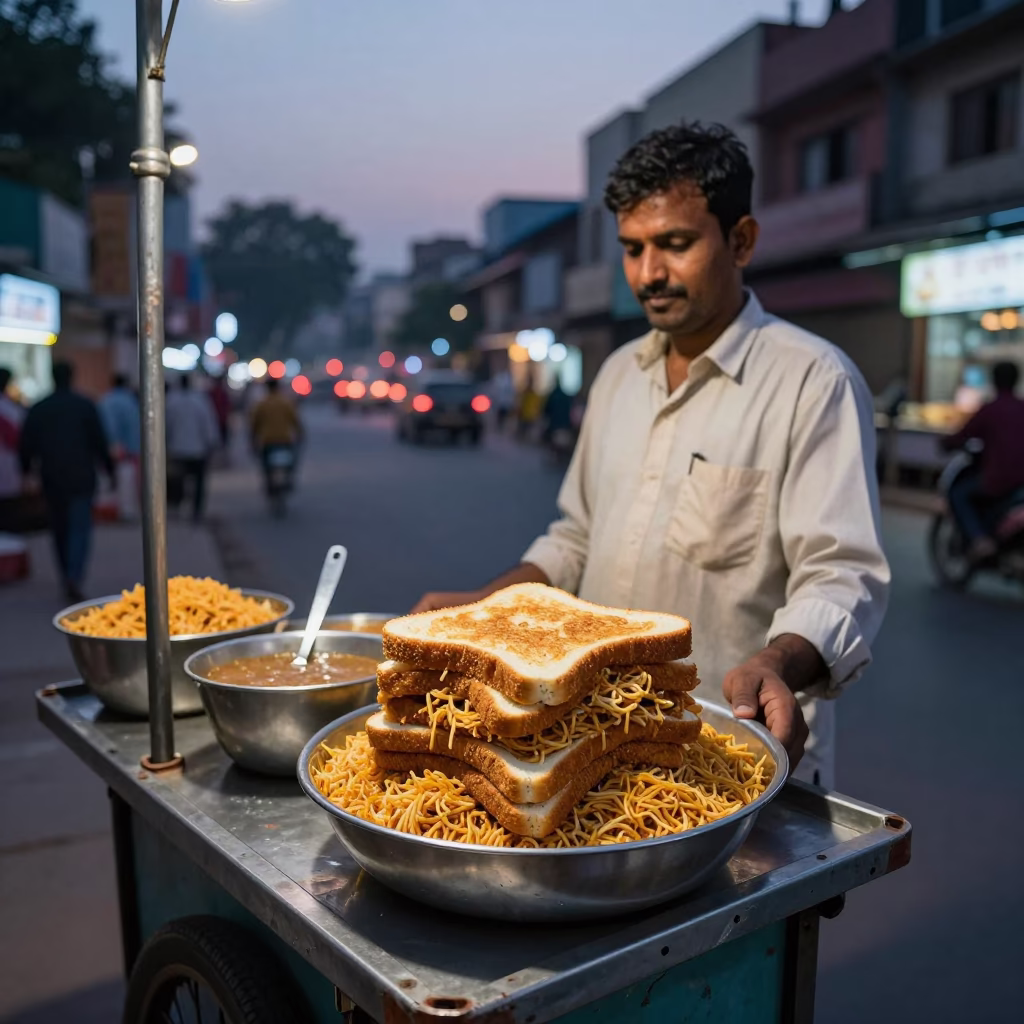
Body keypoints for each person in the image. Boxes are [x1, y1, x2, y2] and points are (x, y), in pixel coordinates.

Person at [413, 122, 890, 789]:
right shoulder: (615, 377)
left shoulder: (813, 381)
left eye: (676, 244)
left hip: (735, 757)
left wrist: (778, 661)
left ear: (741, 240)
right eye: (633, 250)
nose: (650, 274)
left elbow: (841, 575)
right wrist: (484, 607)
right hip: (595, 745)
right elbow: (575, 538)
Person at [19, 362, 113, 601]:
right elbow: (100, 442)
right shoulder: (84, 405)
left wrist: (26, 471)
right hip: (81, 476)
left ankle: (67, 575)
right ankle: (74, 575)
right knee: (79, 529)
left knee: (60, 530)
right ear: (72, 376)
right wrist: (110, 471)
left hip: (52, 478)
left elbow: (26, 444)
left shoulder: (40, 408)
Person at [941, 361, 1024, 563]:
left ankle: (980, 539)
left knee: (958, 494)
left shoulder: (990, 410)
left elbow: (962, 435)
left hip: (997, 480)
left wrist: (946, 443)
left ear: (994, 381)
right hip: (1019, 481)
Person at [165, 374, 220, 522]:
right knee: (198, 482)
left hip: (178, 449)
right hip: (197, 449)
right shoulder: (200, 401)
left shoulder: (171, 401)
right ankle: (196, 511)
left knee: (178, 481)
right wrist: (212, 443)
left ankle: (178, 507)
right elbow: (208, 424)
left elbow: (167, 426)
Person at [249, 377, 303, 494]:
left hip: (267, 441)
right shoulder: (286, 402)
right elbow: (296, 422)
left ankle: (269, 484)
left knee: (265, 467)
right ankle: (288, 479)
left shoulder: (261, 404)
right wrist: (300, 435)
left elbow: (254, 425)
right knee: (292, 462)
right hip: (285, 440)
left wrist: (252, 440)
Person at [100, 374, 142, 520]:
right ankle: (126, 511)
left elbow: (108, 427)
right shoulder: (130, 401)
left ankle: (118, 510)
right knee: (127, 482)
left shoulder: (107, 400)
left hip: (117, 448)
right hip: (129, 449)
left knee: (117, 481)